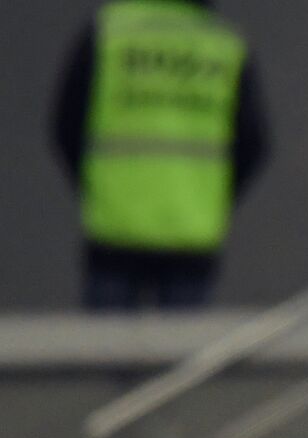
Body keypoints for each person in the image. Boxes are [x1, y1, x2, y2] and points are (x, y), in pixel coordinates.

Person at [51, 0, 269, 309]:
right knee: (189, 356)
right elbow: (253, 143)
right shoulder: (222, 43)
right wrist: (208, 198)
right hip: (191, 235)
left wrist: (97, 189)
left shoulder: (110, 32)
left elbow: (66, 126)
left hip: (114, 233)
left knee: (106, 352)